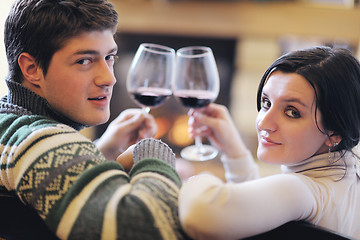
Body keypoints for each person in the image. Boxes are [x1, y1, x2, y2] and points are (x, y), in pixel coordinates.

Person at [0, 0, 188, 239]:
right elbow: (142, 230)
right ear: (31, 68)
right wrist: (151, 153)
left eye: (110, 57)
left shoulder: (10, 122)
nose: (109, 78)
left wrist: (102, 150)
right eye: (84, 61)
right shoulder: (37, 139)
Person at [179, 46, 360, 239]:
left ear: (335, 133)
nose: (264, 122)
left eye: (292, 112)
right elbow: (261, 207)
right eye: (266, 103)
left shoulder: (302, 191)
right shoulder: (346, 185)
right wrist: (234, 151)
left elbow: (201, 213)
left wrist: (190, 178)